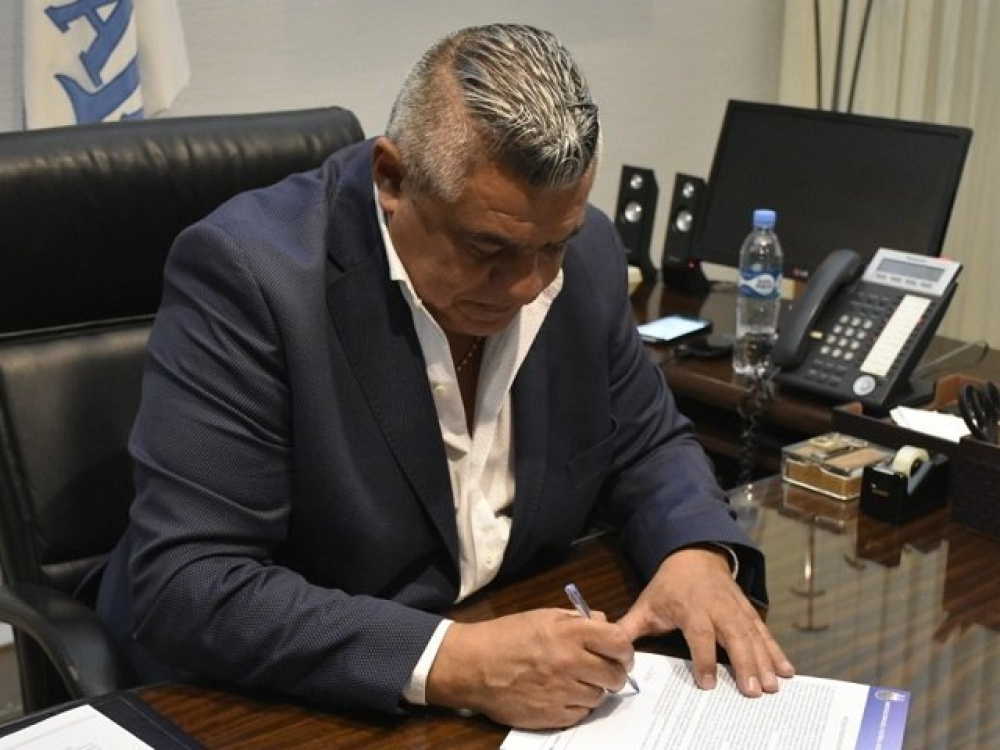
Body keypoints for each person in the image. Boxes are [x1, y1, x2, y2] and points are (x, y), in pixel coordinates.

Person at [95, 23, 794, 730]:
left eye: (554, 245)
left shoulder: (585, 258)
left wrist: (695, 552)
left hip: (507, 650)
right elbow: (190, 582)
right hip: (278, 702)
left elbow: (646, 442)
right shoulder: (251, 276)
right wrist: (456, 661)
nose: (528, 285)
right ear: (392, 179)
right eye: (488, 248)